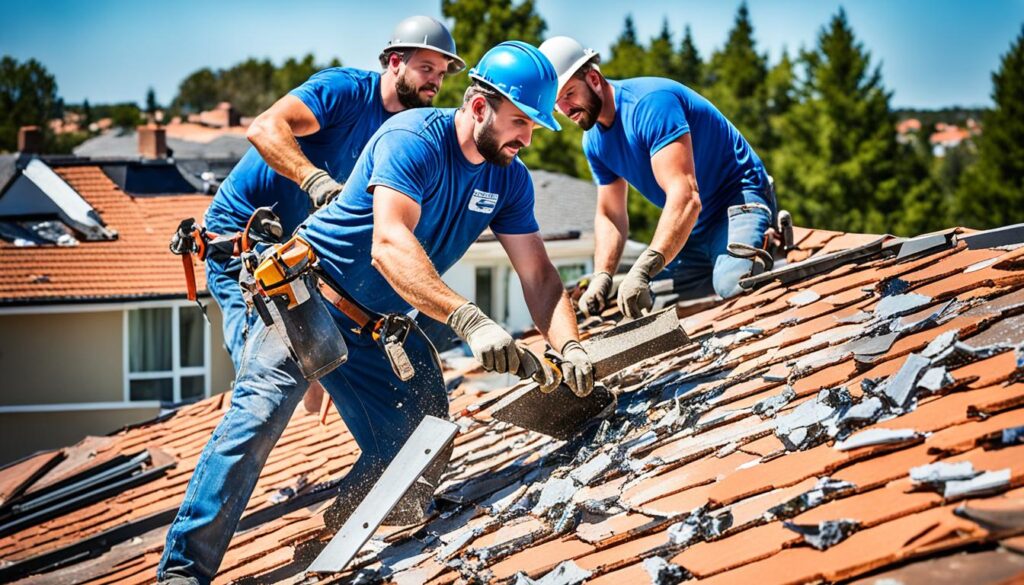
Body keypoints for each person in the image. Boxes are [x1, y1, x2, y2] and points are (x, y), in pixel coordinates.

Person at [157, 41, 594, 584]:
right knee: (260, 414)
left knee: (424, 438)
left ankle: (348, 518)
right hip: (306, 298)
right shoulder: (413, 141)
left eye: (533, 127)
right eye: (520, 122)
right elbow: (388, 244)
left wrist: (569, 345)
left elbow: (539, 276)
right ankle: (183, 571)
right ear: (480, 107)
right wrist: (470, 319)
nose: (527, 139)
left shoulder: (509, 179)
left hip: (371, 324)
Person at [203, 16, 464, 371]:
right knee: (262, 366)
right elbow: (264, 128)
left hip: (297, 253)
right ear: (395, 62)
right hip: (242, 241)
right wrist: (315, 180)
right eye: (427, 68)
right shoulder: (346, 91)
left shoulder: (409, 131)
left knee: (321, 368)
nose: (436, 81)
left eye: (442, 73)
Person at [539, 36, 777, 318]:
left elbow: (686, 196)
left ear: (593, 78)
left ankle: (766, 240)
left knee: (733, 284)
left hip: (737, 202)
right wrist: (603, 274)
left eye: (569, 95)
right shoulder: (594, 142)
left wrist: (644, 267)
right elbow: (610, 215)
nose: (565, 110)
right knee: (639, 304)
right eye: (556, 104)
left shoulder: (650, 105)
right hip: (692, 229)